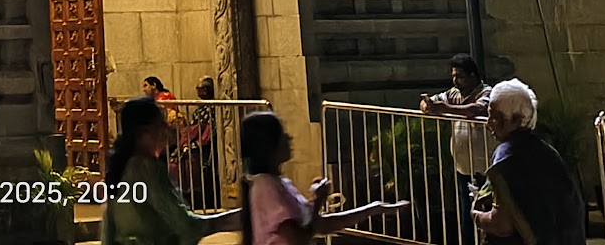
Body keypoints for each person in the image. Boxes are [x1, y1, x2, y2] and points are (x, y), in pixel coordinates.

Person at [241, 109, 408, 244]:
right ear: (268, 145)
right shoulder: (266, 188)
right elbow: (298, 237)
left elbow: (321, 225)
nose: (288, 138)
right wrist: (318, 201)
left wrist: (373, 209)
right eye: (281, 134)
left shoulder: (278, 183)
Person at [101, 96, 241, 244]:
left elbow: (107, 232)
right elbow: (183, 223)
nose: (167, 130)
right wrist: (234, 219)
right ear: (145, 132)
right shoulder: (146, 168)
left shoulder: (120, 167)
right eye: (161, 124)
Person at [471, 79, 585, 245]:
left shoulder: (506, 155)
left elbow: (501, 225)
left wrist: (476, 215)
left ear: (516, 119)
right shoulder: (547, 151)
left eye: (495, 117)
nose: (488, 123)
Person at [421, 53, 492, 244]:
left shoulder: (486, 92)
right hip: (463, 167)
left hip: (485, 167)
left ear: (472, 76)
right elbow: (430, 102)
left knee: (489, 215)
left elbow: (476, 110)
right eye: (453, 76)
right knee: (466, 216)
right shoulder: (453, 94)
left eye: (460, 76)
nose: (456, 81)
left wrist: (444, 109)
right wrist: (429, 106)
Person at [171, 77, 221, 209]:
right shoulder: (200, 109)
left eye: (200, 89)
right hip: (192, 142)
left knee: (192, 163)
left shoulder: (214, 108)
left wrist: (195, 144)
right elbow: (192, 128)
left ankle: (198, 198)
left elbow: (210, 131)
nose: (198, 92)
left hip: (204, 147)